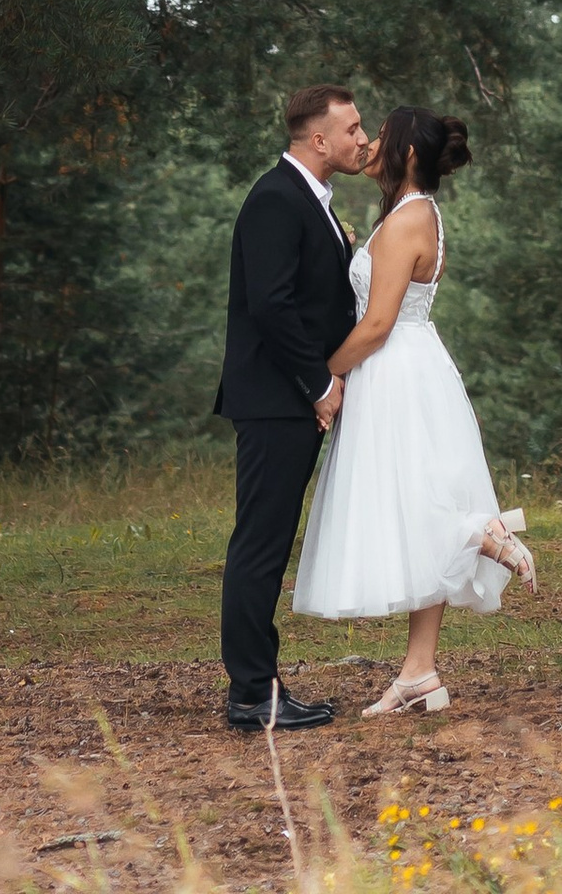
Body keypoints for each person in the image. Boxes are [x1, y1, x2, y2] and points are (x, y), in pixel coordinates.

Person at [292, 101, 536, 719]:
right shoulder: (413, 213)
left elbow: (376, 324)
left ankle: (481, 532)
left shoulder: (407, 221)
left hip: (394, 369)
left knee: (401, 500)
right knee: (409, 494)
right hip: (411, 364)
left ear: (405, 153)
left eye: (380, 135)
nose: (369, 141)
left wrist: (327, 376)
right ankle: (420, 673)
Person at [212, 81, 369, 730]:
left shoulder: (312, 199)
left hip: (288, 398)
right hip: (277, 400)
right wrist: (320, 384)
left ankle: (259, 683)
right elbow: (271, 305)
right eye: (354, 129)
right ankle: (252, 693)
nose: (364, 139)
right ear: (319, 139)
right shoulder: (276, 199)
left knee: (268, 544)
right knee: (260, 545)